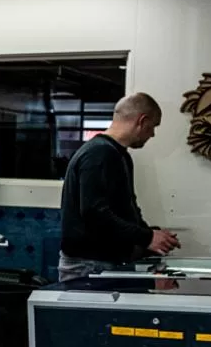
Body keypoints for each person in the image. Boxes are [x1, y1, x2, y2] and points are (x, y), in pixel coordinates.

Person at [59, 92, 180, 282]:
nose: (152, 134)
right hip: (89, 265)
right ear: (142, 121)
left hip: (106, 262)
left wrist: (152, 236)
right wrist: (146, 237)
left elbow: (127, 209)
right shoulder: (99, 153)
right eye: (153, 127)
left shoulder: (119, 155)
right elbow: (94, 213)